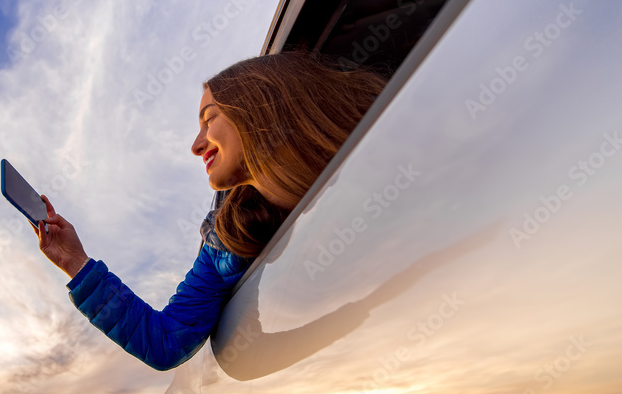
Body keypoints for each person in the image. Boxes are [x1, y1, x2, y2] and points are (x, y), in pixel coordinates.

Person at [33, 51, 386, 370]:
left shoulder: (385, 150)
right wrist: (74, 262)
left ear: (260, 109)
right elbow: (167, 341)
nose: (196, 145)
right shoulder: (227, 239)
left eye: (209, 120)